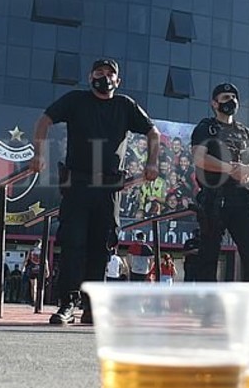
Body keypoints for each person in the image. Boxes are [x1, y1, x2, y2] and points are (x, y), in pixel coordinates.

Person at [30, 58, 160, 324]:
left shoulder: (125, 105)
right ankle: (67, 303)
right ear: (90, 77)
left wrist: (152, 162)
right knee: (73, 244)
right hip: (78, 184)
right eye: (99, 72)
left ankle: (92, 307)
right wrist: (38, 154)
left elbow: (153, 133)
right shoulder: (76, 100)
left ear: (118, 81)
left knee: (101, 248)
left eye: (110, 74)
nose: (105, 77)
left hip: (109, 188)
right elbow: (44, 120)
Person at [188, 82, 249, 283]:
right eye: (225, 98)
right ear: (214, 103)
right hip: (214, 198)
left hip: (243, 199)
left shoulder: (245, 132)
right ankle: (207, 300)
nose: (231, 101)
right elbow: (199, 157)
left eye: (233, 98)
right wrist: (230, 168)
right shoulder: (206, 127)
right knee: (208, 255)